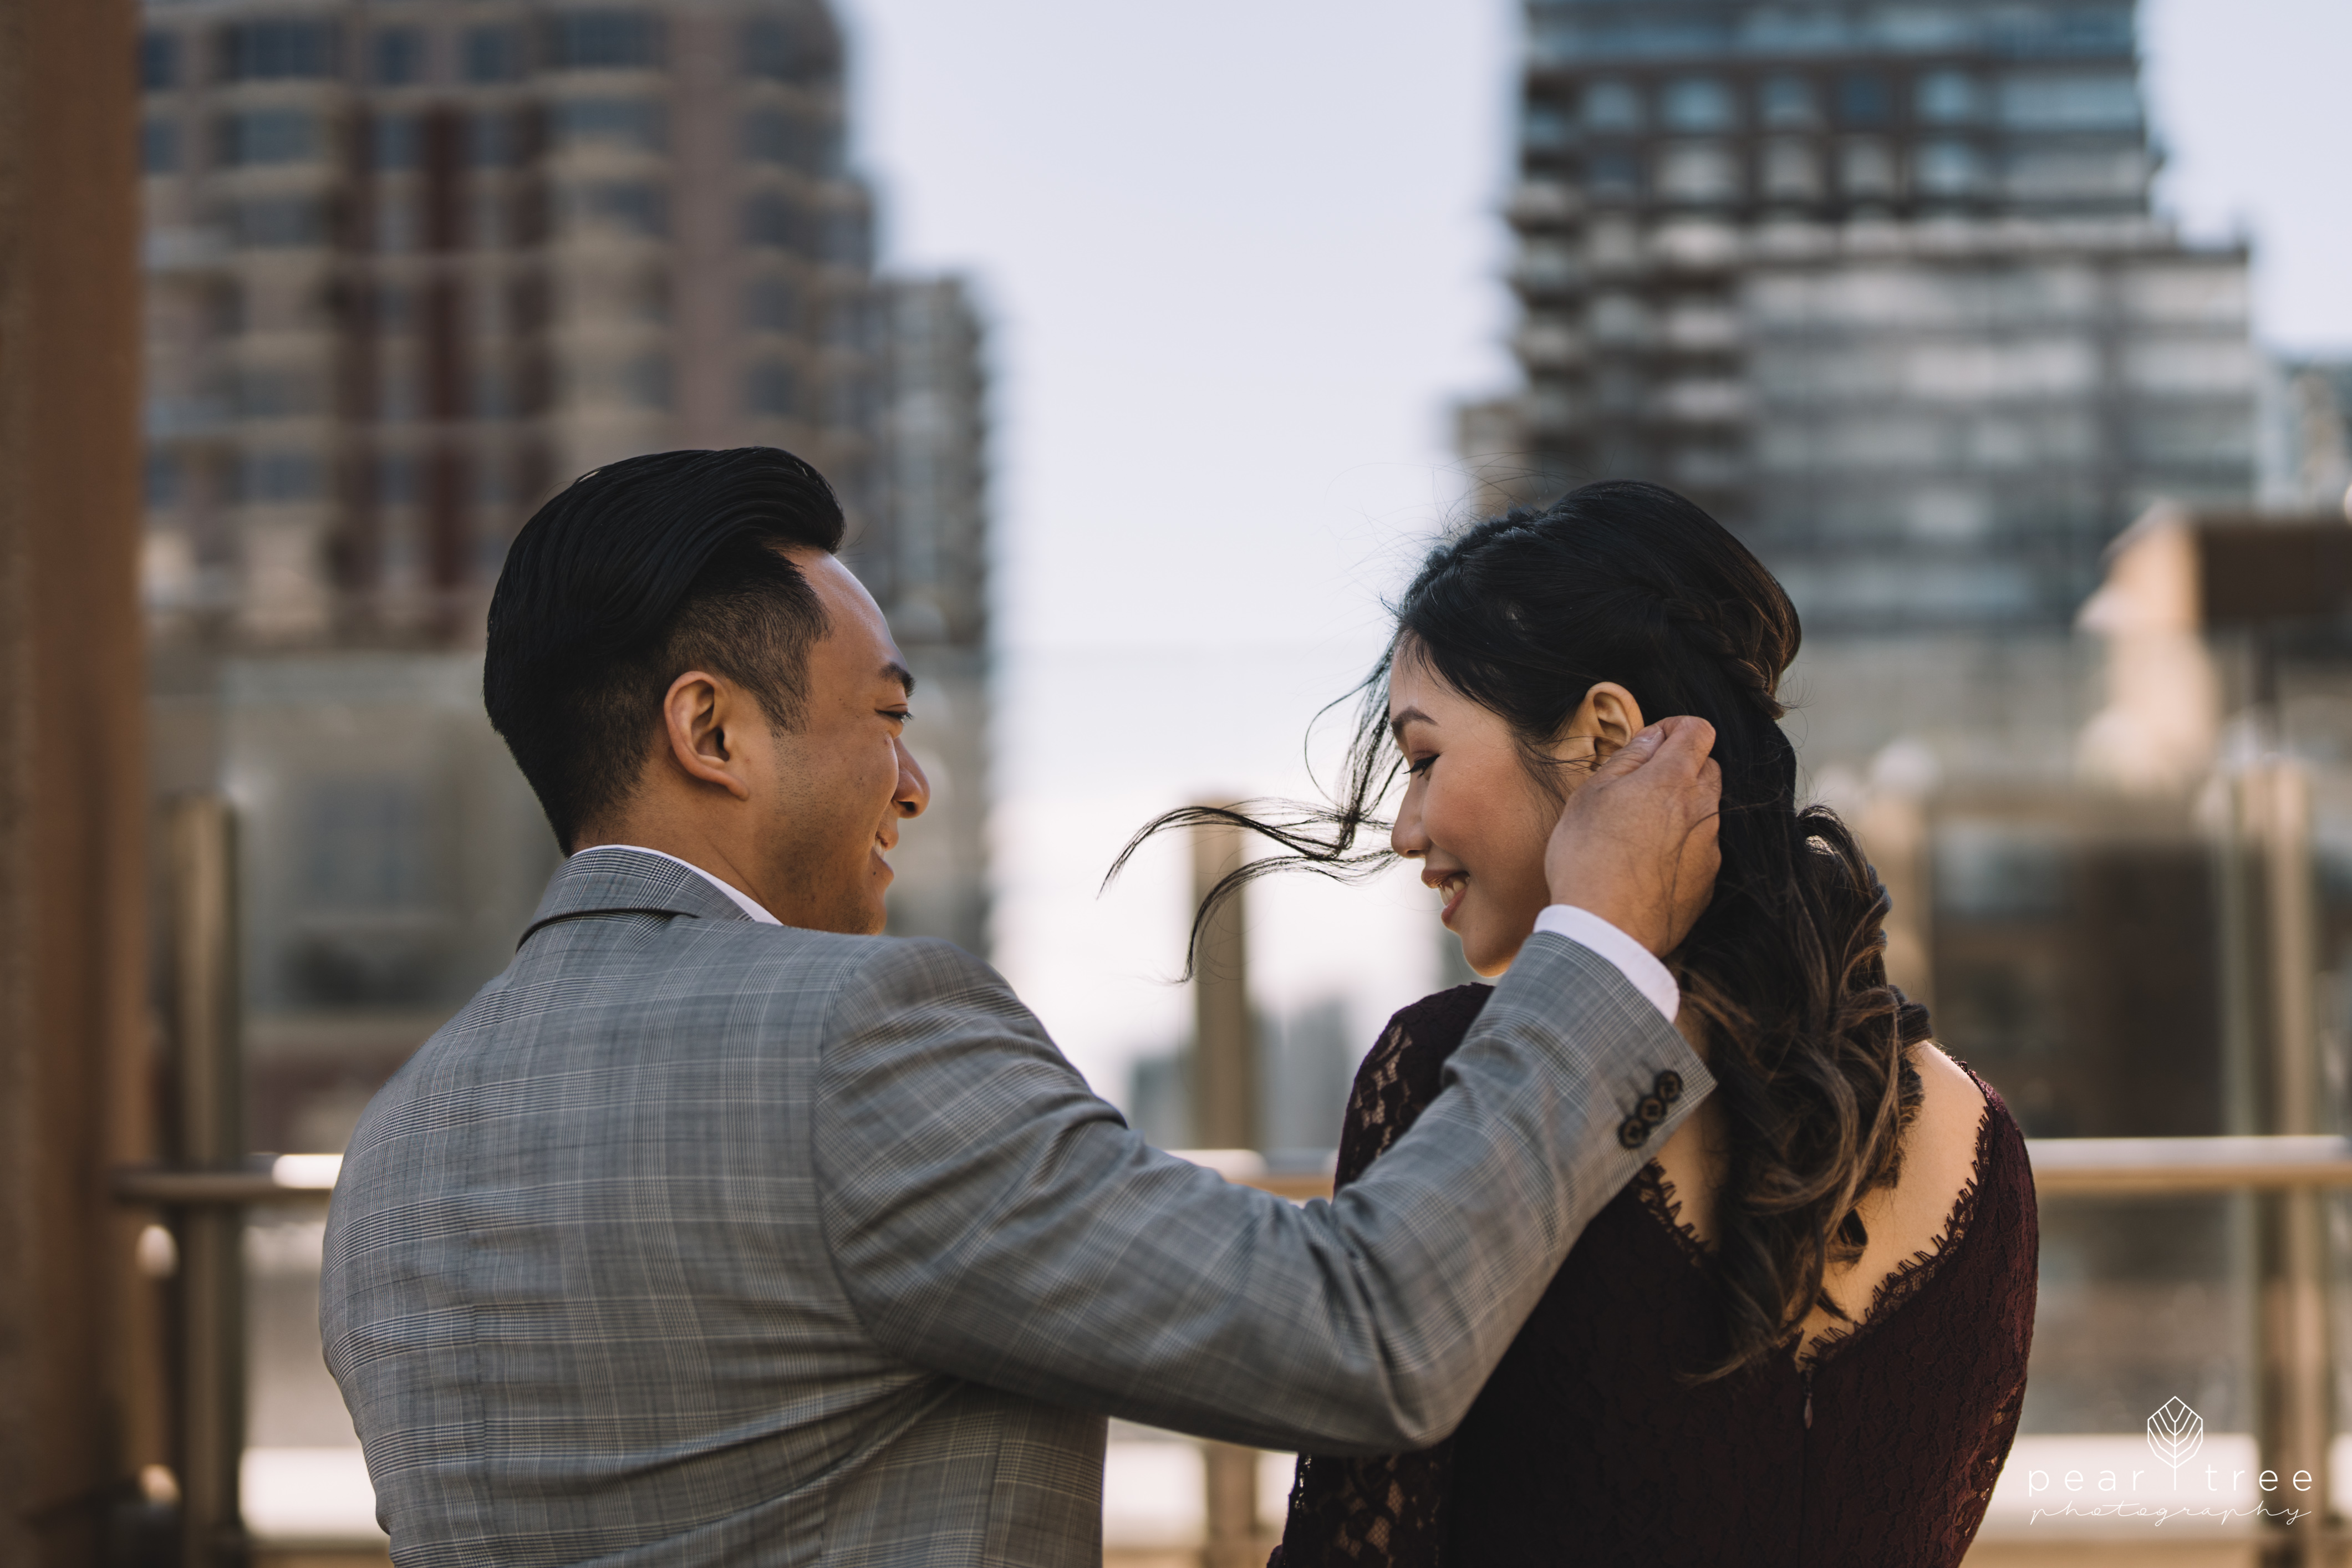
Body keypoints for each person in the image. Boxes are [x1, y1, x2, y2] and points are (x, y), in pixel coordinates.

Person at [319, 448, 1728, 1568]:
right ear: (712, 731)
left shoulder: (396, 1146)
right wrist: (1601, 946)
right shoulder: (860, 1037)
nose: (915, 782)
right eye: (886, 717)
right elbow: (1363, 1335)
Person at [1187, 481, 2034, 1567]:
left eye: (1424, 759)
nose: (1404, 829)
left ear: (1604, 738)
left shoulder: (1454, 1071)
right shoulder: (1982, 1138)